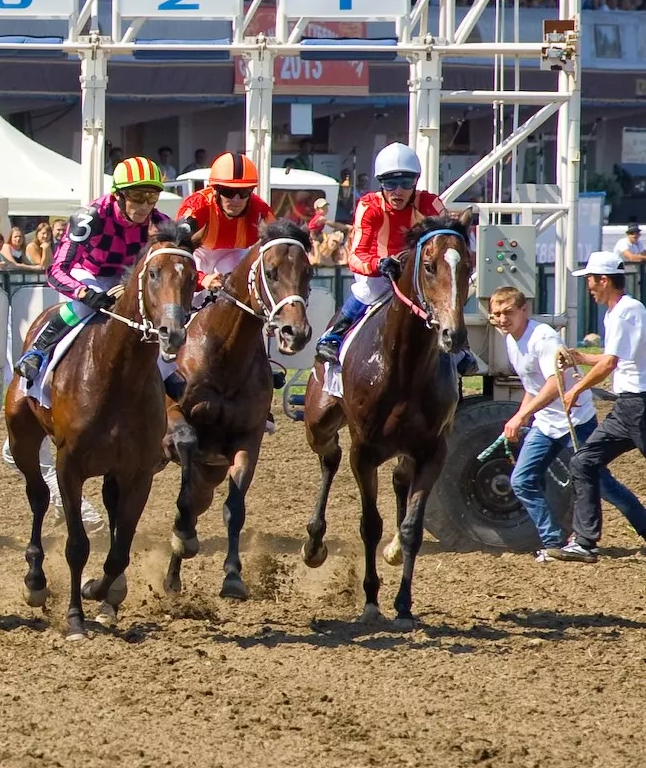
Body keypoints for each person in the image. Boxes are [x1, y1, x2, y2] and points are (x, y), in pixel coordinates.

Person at [490, 284, 646, 560]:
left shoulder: (542, 338)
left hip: (575, 420)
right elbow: (533, 385)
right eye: (496, 314)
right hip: (546, 423)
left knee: (602, 484)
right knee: (522, 480)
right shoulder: (511, 340)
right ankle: (554, 543)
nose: (502, 319)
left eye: (508, 312)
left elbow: (555, 382)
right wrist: (521, 416)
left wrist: (522, 416)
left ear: (524, 310)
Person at [15, 156, 183, 399]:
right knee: (83, 308)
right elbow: (56, 269)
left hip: (126, 278)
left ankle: (167, 371)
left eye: (151, 197)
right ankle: (37, 352)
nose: (145, 205)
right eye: (137, 196)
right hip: (87, 272)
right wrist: (83, 292)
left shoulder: (160, 223)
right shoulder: (90, 217)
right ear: (119, 195)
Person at [312, 142, 465, 371]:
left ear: (416, 182)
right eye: (390, 183)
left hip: (417, 270)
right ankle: (333, 336)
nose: (398, 191)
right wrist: (378, 264)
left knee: (445, 289)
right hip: (379, 270)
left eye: (406, 183)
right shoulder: (369, 205)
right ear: (380, 183)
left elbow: (445, 243)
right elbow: (356, 256)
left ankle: (461, 348)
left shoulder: (430, 203)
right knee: (369, 290)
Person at [551, 251, 646, 562]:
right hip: (627, 407)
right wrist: (580, 358)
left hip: (639, 404)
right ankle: (585, 542)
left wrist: (576, 388)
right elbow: (615, 359)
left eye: (591, 280)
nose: (588, 286)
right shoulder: (616, 311)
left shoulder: (626, 311)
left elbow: (609, 364)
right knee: (584, 463)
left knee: (584, 462)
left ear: (604, 280)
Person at [173, 152, 274, 287]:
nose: (236, 200)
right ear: (215, 190)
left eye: (244, 192)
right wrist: (202, 279)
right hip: (198, 256)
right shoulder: (197, 205)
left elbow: (281, 240)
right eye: (228, 192)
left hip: (236, 256)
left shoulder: (261, 209)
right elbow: (176, 250)